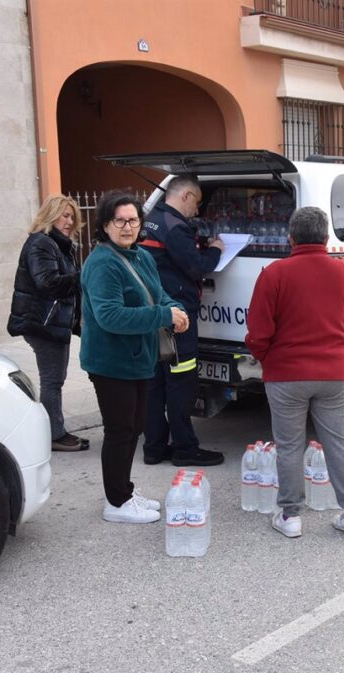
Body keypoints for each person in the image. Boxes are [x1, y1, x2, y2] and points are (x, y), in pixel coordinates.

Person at [245, 206, 344, 539]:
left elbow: (258, 330)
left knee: (288, 445)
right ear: (326, 237)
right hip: (333, 371)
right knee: (339, 443)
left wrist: (266, 357)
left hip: (285, 374)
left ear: (291, 237)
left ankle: (290, 516)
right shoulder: (343, 272)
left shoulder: (274, 274)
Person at [80, 191, 190, 524]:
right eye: (120, 221)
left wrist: (176, 309)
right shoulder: (102, 263)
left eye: (133, 220)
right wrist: (162, 315)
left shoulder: (140, 255)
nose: (128, 227)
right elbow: (109, 316)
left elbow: (160, 295)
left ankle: (124, 491)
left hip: (139, 359)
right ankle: (116, 502)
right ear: (104, 225)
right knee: (119, 431)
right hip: (111, 363)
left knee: (134, 429)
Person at [140, 175, 226, 467]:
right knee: (181, 382)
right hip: (178, 317)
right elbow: (197, 267)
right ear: (186, 196)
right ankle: (185, 449)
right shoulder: (176, 228)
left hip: (153, 313)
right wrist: (215, 249)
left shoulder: (152, 218)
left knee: (155, 383)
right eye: (198, 203)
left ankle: (153, 447)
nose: (198, 211)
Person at [7, 195, 88, 452]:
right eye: (64, 215)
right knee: (53, 381)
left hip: (50, 322)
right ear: (50, 215)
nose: (69, 221)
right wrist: (83, 276)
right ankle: (54, 434)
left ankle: (54, 430)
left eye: (72, 216)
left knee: (54, 379)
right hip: (43, 323)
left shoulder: (58, 244)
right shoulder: (42, 243)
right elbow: (48, 282)